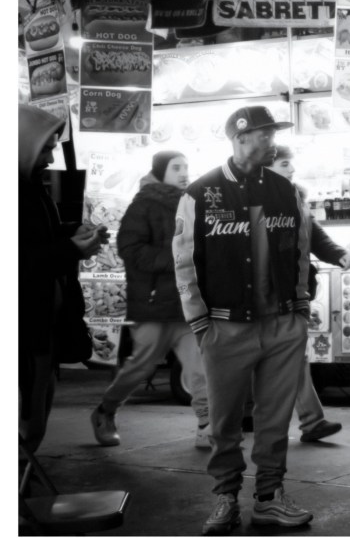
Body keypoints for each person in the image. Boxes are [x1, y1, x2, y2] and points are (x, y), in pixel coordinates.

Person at [174, 106, 314, 535]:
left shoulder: (286, 191)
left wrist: (301, 307)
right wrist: (200, 323)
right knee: (224, 422)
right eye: (264, 134)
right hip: (225, 326)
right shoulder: (200, 193)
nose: (272, 141)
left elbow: (301, 251)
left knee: (276, 420)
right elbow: (184, 262)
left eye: (273, 133)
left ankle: (269, 497)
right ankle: (225, 497)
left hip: (282, 324)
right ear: (238, 138)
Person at [89, 151, 210, 449]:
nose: (184, 173)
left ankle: (207, 425)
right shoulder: (143, 204)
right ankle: (106, 410)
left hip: (187, 301)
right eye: (176, 167)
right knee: (140, 367)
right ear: (160, 171)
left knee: (200, 366)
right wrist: (176, 259)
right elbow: (129, 248)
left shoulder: (192, 202)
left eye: (186, 167)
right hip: (154, 303)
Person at [19, 105, 108, 452]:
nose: (51, 157)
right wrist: (70, 250)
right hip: (24, 325)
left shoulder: (30, 185)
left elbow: (38, 237)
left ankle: (25, 471)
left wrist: (73, 232)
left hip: (43, 322)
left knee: (38, 403)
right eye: (44, 148)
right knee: (28, 412)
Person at [264, 144, 350, 442]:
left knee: (295, 357)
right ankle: (232, 420)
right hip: (262, 297)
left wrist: (338, 253)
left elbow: (313, 234)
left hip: (294, 293)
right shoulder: (249, 199)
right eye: (284, 164)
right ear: (266, 167)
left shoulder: (295, 198)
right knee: (263, 360)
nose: (292, 169)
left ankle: (312, 422)